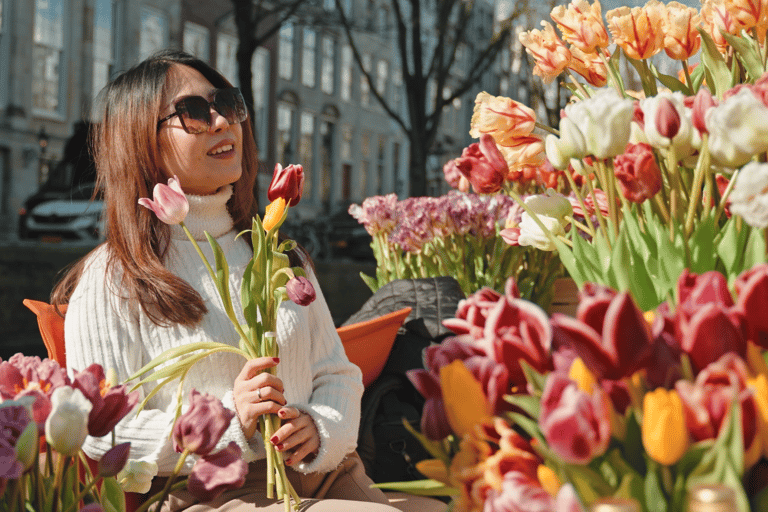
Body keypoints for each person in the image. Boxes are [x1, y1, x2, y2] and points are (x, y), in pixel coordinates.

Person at [52, 50, 446, 512]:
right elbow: (101, 433)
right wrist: (226, 421)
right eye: (194, 113)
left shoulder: (277, 252)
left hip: (324, 474)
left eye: (227, 102)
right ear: (143, 142)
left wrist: (319, 426)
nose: (222, 121)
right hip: (211, 492)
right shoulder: (114, 279)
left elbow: (337, 373)